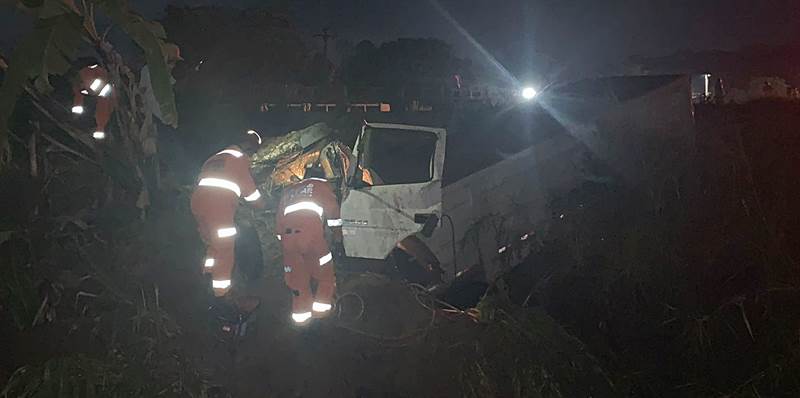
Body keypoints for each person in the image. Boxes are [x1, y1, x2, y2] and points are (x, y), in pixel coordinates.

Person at [191, 130, 265, 299]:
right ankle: (221, 294)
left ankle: (208, 276)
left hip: (198, 203)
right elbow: (251, 195)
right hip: (217, 206)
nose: (252, 157)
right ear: (248, 148)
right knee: (225, 248)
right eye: (253, 152)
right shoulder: (239, 159)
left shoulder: (214, 158)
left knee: (212, 244)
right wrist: (261, 205)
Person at [276, 164, 342, 326]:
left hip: (287, 241)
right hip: (312, 239)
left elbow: (278, 225)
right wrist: (338, 236)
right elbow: (333, 213)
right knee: (325, 277)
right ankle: (322, 318)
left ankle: (302, 324)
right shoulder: (320, 185)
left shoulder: (289, 192)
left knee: (298, 282)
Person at [71, 60, 115, 140]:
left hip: (100, 98)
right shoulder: (83, 73)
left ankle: (100, 132)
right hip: (90, 100)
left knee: (102, 110)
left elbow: (98, 86)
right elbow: (78, 91)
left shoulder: (99, 72)